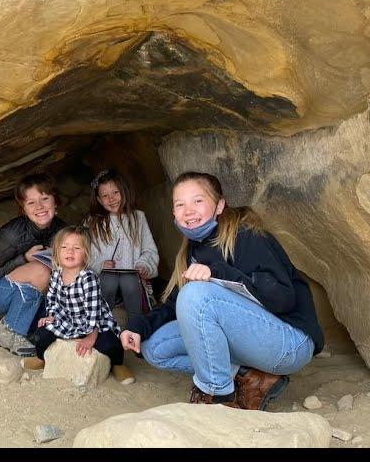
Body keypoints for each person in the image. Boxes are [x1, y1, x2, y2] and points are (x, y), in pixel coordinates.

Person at [120, 171, 324, 410]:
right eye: (180, 204)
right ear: (173, 213)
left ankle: (217, 395)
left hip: (289, 342)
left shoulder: (246, 236)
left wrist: (217, 273)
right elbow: (176, 304)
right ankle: (248, 375)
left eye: (198, 201)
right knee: (154, 348)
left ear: (219, 205)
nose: (188, 211)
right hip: (251, 342)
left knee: (196, 294)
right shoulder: (191, 252)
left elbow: (283, 300)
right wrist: (137, 326)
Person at [22, 226, 134, 385]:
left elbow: (93, 309)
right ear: (57, 252)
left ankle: (118, 364)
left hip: (93, 323)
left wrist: (91, 336)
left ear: (86, 254)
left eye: (76, 248)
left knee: (110, 343)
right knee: (41, 333)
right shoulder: (56, 274)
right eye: (64, 247)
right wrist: (51, 316)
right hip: (66, 321)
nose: (70, 252)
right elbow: (52, 298)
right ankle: (41, 358)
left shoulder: (88, 278)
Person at [0, 173, 66, 357]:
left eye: (45, 199)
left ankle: (22, 328)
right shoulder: (11, 234)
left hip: (23, 291)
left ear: (56, 202)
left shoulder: (61, 230)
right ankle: (10, 332)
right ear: (23, 209)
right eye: (31, 203)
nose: (39, 207)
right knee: (40, 271)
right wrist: (23, 259)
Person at [86, 168, 160, 321]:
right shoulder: (92, 223)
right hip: (104, 282)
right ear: (99, 200)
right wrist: (100, 264)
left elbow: (149, 250)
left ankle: (137, 325)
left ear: (124, 192)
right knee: (110, 279)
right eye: (105, 196)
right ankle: (100, 322)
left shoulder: (138, 217)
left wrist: (144, 265)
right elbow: (84, 255)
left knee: (129, 279)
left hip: (132, 281)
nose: (111, 199)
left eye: (115, 193)